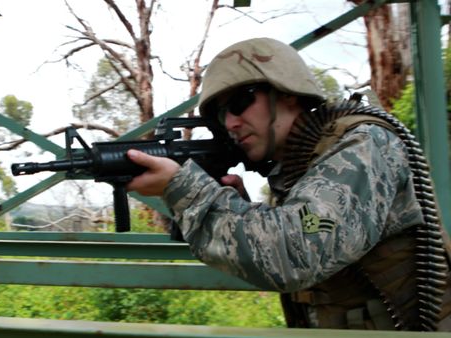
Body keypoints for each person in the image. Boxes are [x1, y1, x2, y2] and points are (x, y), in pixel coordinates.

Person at [125, 37, 451, 331]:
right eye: (220, 115)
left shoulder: (361, 145)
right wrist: (236, 211)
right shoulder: (299, 167)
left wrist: (186, 190)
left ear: (287, 94)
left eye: (239, 103)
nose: (230, 123)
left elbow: (294, 255)